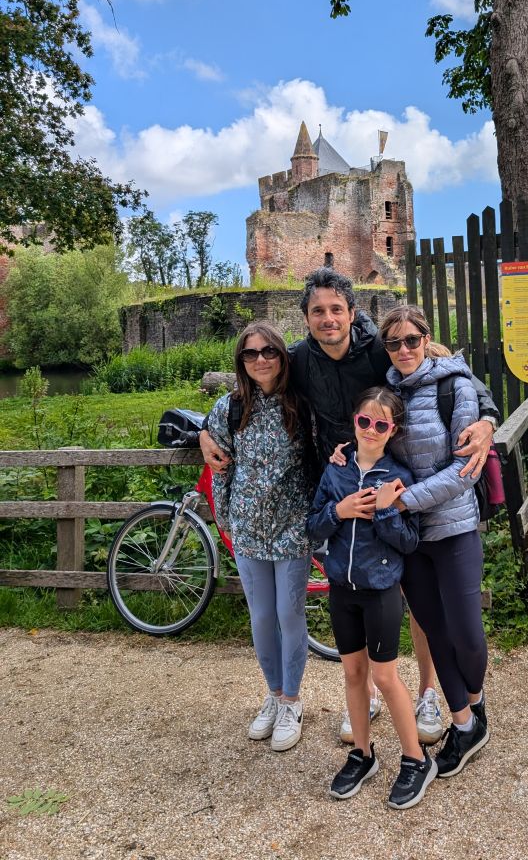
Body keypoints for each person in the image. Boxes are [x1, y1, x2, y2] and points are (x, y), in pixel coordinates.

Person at [199, 267, 500, 741]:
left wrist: (487, 416)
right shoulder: (299, 358)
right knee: (354, 589)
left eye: (336, 309)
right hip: (339, 486)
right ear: (306, 318)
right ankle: (366, 696)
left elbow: (444, 364)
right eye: (318, 311)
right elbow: (254, 382)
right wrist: (203, 430)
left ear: (352, 313)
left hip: (393, 482)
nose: (328, 319)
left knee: (414, 599)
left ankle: (427, 693)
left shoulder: (383, 348)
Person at [306, 386, 437, 810]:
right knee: (352, 674)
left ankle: (416, 759)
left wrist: (384, 510)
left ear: (392, 430)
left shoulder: (399, 477)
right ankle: (363, 754)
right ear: (355, 421)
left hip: (380, 591)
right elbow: (313, 526)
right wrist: (339, 511)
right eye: (364, 421)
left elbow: (409, 542)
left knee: (384, 677)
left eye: (381, 425)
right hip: (341, 589)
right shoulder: (336, 470)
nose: (371, 430)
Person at [378, 304, 490, 778]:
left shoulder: (455, 387)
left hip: (452, 526)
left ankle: (476, 703)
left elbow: (465, 470)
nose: (403, 349)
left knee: (466, 632)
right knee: (435, 629)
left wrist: (404, 502)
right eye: (394, 342)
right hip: (409, 538)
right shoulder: (387, 393)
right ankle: (463, 725)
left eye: (411, 340)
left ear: (426, 339)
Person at [206, 321, 317, 753]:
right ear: (241, 361)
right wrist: (225, 518)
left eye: (269, 351)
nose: (260, 360)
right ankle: (273, 694)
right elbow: (220, 465)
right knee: (261, 616)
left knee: (289, 613)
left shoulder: (301, 404)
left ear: (282, 356)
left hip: (292, 525)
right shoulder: (230, 407)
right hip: (248, 526)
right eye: (250, 353)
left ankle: (292, 701)